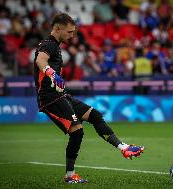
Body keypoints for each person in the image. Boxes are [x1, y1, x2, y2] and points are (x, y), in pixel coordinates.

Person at [33, 13, 144, 184]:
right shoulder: (49, 44)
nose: (72, 35)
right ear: (57, 29)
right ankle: (70, 176)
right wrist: (52, 74)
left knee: (95, 115)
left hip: (60, 95)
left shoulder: (55, 44)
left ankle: (124, 148)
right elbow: (41, 60)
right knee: (77, 131)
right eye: (69, 32)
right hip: (50, 99)